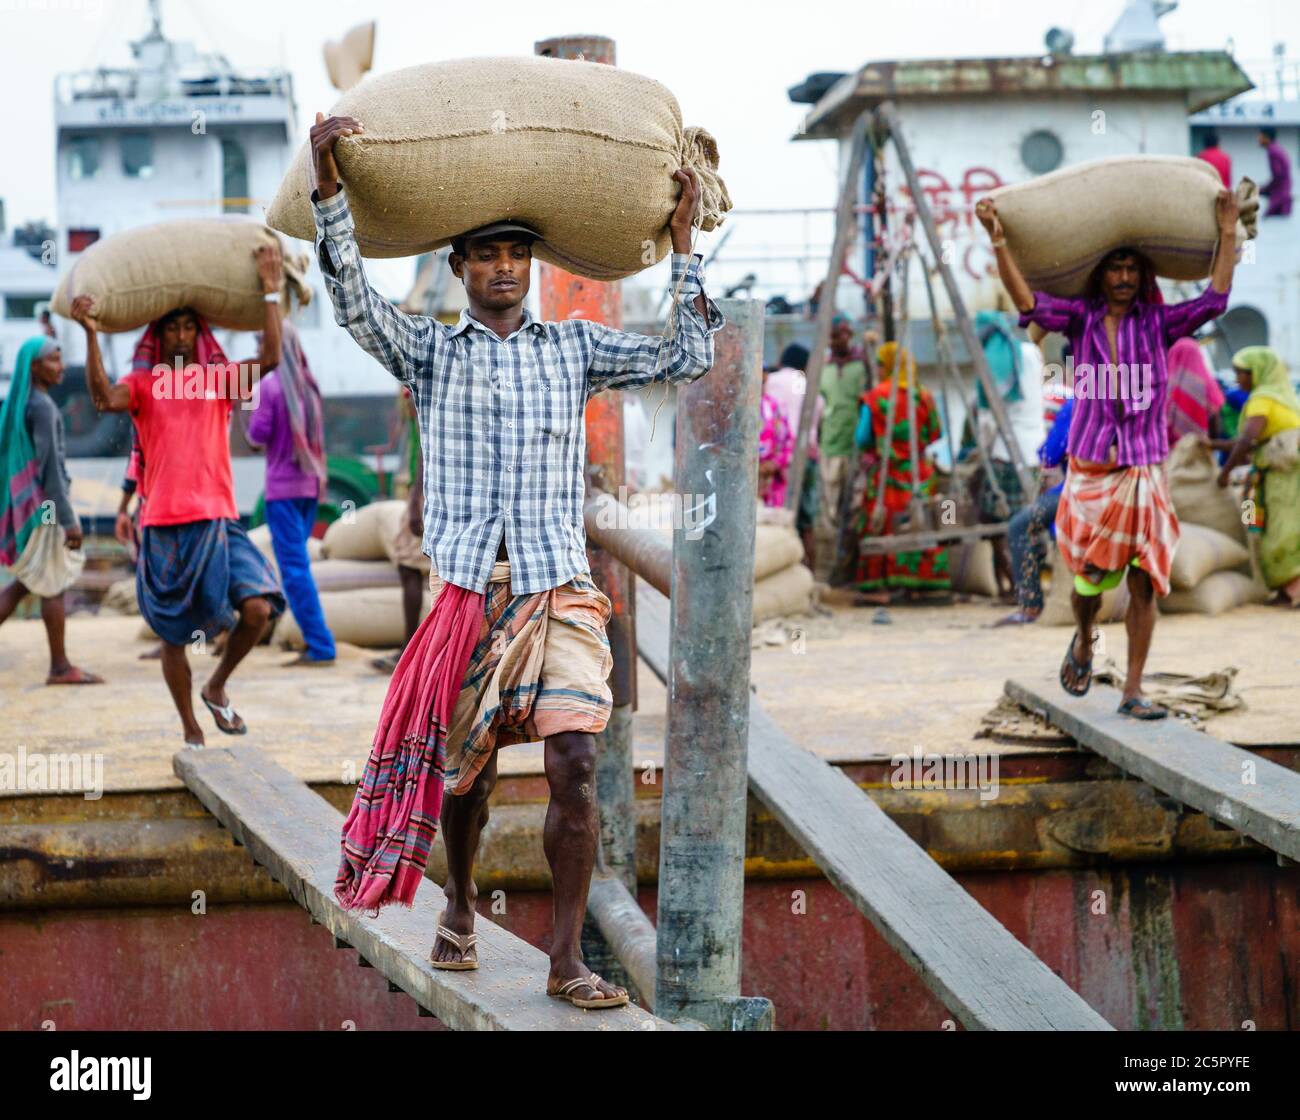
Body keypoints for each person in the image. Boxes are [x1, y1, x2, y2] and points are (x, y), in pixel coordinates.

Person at [311, 112, 722, 1008]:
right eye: (485, 254)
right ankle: (458, 898)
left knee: (575, 762)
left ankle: (566, 957)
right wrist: (331, 194)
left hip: (559, 589)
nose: (502, 268)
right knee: (468, 776)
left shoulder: (572, 350)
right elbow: (349, 304)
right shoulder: (425, 350)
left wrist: (684, 249)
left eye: (516, 255)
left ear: (533, 269)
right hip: (466, 594)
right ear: (458, 268)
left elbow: (686, 355)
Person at [978, 187, 1239, 719]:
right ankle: (1083, 636)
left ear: (1144, 278)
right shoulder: (1079, 319)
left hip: (1144, 471)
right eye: (1114, 269)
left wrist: (1228, 230)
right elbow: (1027, 303)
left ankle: (1133, 689)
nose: (1123, 278)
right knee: (1087, 584)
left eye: (1132, 270)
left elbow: (1214, 301)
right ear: (1100, 276)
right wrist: (999, 241)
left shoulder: (1159, 323)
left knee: (1145, 580)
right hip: (1092, 473)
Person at [69, 243, 287, 748]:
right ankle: (191, 731)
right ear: (159, 335)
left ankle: (216, 686)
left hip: (218, 522)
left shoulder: (219, 381)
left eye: (190, 326)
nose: (182, 335)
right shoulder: (142, 385)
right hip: (163, 526)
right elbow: (103, 397)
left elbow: (271, 357)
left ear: (200, 333)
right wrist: (91, 333)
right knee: (173, 636)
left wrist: (270, 289)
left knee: (258, 609)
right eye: (173, 327)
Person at [0, 336, 102, 684]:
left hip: (34, 505)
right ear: (34, 367)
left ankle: (60, 665)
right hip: (45, 508)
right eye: (54, 361)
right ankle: (59, 667)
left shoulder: (24, 404)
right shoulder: (42, 407)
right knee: (50, 582)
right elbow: (51, 470)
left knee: (29, 582)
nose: (61, 367)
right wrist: (68, 520)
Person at [245, 320, 336, 667]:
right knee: (301, 566)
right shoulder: (308, 385)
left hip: (282, 491)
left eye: (261, 343)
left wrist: (246, 401)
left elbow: (256, 436)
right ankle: (316, 640)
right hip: (310, 488)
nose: (257, 351)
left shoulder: (269, 387)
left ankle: (320, 645)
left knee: (295, 570)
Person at [852, 342, 951, 602]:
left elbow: (862, 438)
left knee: (883, 523)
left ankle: (883, 583)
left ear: (886, 366)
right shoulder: (924, 396)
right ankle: (924, 582)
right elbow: (935, 433)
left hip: (888, 476)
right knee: (922, 521)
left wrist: (888, 444)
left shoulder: (875, 397)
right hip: (919, 474)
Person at [1212, 346, 1300, 607]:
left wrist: (1224, 474)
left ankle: (1292, 590)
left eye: (1243, 373)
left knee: (1280, 532)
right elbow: (1253, 442)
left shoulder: (1262, 399)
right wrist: (1211, 444)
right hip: (1271, 476)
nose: (1238, 378)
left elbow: (1247, 441)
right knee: (1266, 526)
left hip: (1282, 480)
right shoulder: (1284, 397)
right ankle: (1285, 590)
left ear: (1259, 372)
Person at [974, 310, 1045, 599]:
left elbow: (988, 421)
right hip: (1036, 452)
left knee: (994, 522)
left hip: (1007, 454)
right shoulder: (1029, 353)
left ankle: (1015, 584)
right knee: (1030, 521)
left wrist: (981, 452)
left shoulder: (990, 361)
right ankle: (1029, 583)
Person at [997, 396, 1074, 626]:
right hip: (1124, 488)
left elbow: (1049, 455)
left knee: (1019, 526)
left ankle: (1030, 605)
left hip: (1080, 489)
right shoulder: (1129, 396)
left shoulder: (1076, 404)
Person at [373, 388, 431, 675]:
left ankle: (412, 650)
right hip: (425, 492)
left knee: (410, 567)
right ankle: (417, 648)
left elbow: (425, 450)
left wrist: (415, 502)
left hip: (426, 494)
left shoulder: (424, 396)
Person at [765, 342, 822, 566]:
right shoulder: (803, 382)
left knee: (780, 515)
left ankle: (787, 565)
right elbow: (819, 408)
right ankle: (809, 571)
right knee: (806, 518)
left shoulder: (773, 381)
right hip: (808, 454)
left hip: (782, 458)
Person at [816, 314, 867, 536]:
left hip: (857, 442)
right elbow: (819, 406)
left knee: (857, 499)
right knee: (831, 500)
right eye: (836, 336)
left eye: (845, 335)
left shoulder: (863, 365)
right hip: (831, 442)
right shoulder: (823, 369)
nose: (840, 340)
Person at [1166, 336, 1225, 445]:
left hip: (1170, 451)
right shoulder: (1207, 384)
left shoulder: (1163, 387)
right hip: (1199, 448)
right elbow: (1214, 420)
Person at [758, 366, 794, 507]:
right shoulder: (734, 407)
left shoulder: (774, 407)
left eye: (763, 381)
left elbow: (787, 442)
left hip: (771, 480)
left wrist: (773, 464)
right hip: (743, 477)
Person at [1258, 127, 1292, 218]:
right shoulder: (1277, 149)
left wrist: (1262, 190)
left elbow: (1278, 177)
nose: (1258, 139)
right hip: (1283, 195)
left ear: (1266, 137)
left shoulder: (1273, 152)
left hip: (1279, 197)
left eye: (1260, 136)